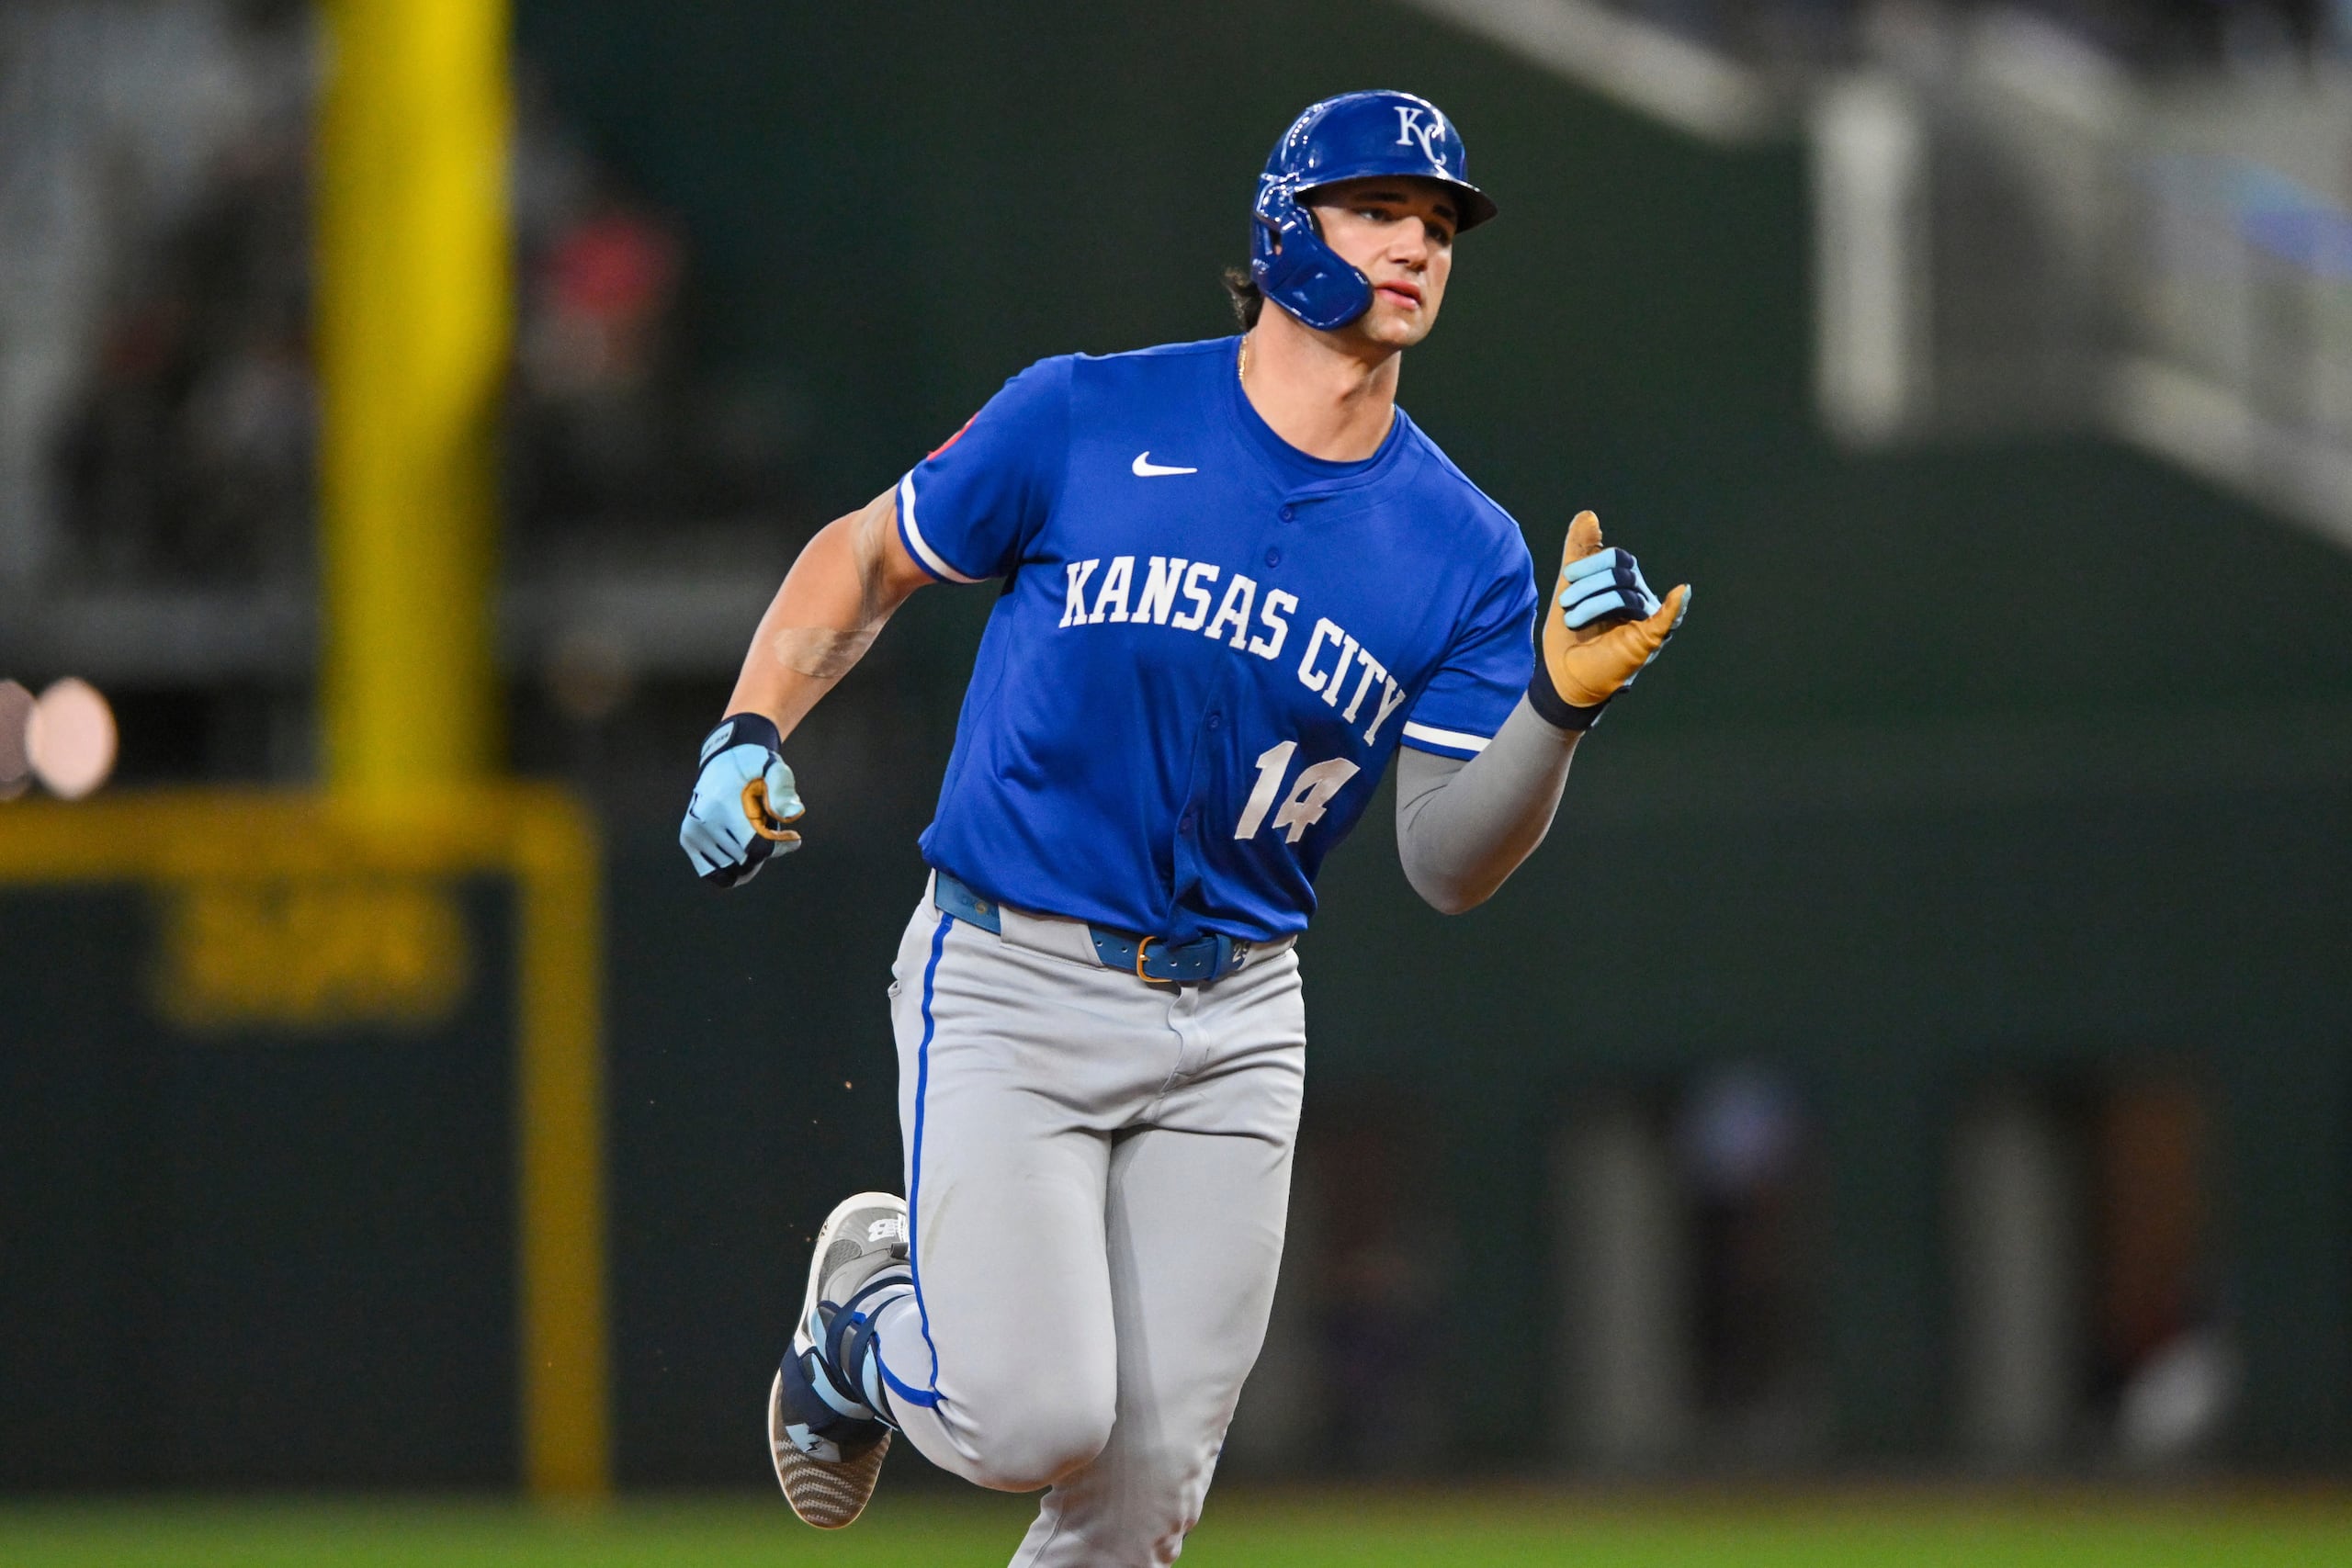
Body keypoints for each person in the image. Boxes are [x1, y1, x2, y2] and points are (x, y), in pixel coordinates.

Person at [678, 89, 1689, 1566]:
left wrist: (1554, 708)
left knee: (1140, 1501)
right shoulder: (1088, 416)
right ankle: (862, 1324)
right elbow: (869, 557)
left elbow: (1445, 862)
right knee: (1030, 1418)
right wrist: (749, 729)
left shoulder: (1466, 548)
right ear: (1286, 227)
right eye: (1377, 209)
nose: (1416, 245)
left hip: (1238, 1013)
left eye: (1437, 224)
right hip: (1015, 972)